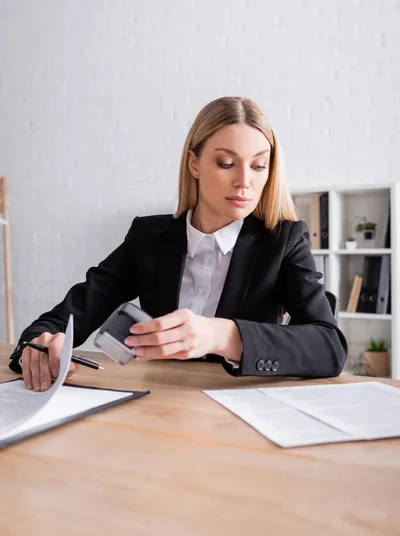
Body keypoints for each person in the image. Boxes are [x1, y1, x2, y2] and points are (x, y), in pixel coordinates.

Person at [9, 96, 347, 391]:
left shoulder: (284, 240)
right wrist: (37, 346)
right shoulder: (148, 238)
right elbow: (61, 319)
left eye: (259, 166)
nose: (245, 181)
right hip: (159, 408)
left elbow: (329, 346)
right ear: (194, 163)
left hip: (242, 421)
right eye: (226, 163)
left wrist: (221, 335)